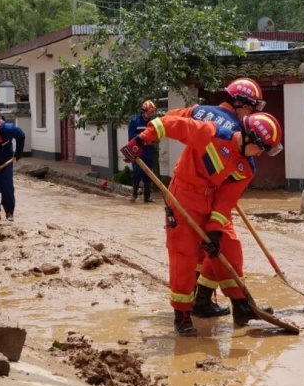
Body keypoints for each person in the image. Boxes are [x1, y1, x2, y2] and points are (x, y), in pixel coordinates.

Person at [121, 111, 284, 337]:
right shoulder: (210, 133)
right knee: (184, 255)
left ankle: (242, 306)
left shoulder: (246, 169)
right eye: (260, 148)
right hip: (183, 197)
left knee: (229, 246)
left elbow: (226, 201)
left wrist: (215, 229)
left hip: (211, 201)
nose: (260, 154)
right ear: (248, 138)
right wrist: (142, 140)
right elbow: (170, 123)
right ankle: (182, 314)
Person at [127, 100, 157, 203]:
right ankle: (134, 194)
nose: (151, 114)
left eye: (152, 112)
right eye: (149, 112)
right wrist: (143, 138)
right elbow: (131, 136)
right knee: (137, 173)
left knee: (148, 174)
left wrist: (151, 140)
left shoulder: (153, 122)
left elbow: (156, 135)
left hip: (149, 151)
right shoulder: (135, 121)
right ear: (144, 110)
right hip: (138, 152)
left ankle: (147, 196)